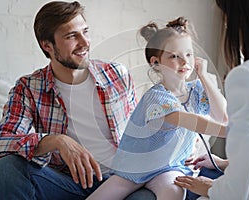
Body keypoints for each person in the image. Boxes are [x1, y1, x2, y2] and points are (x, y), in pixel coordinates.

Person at [0, 1, 156, 199]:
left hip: (122, 181)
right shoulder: (29, 88)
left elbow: (141, 128)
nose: (84, 42)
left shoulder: (116, 74)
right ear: (47, 45)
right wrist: (57, 141)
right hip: (67, 184)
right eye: (71, 36)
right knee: (7, 168)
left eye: (85, 32)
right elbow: (3, 143)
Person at [87, 17, 227, 200]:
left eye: (189, 54)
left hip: (169, 168)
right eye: (174, 56)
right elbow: (192, 122)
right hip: (133, 170)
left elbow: (223, 116)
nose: (184, 62)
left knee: (174, 191)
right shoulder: (156, 97)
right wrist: (236, 132)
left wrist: (204, 77)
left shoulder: (197, 89)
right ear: (156, 63)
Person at [174, 0, 249, 199]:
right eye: (173, 56)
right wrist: (225, 163)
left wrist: (212, 188)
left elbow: (244, 188)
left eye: (188, 54)